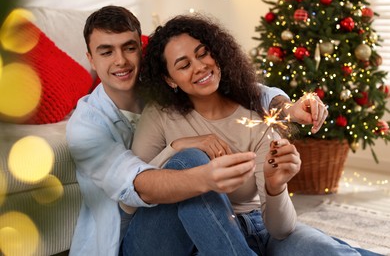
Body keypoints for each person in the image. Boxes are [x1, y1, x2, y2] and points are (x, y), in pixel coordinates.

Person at [66, 5, 329, 256]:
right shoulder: (87, 128)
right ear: (90, 58)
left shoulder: (160, 89)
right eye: (106, 52)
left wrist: (288, 108)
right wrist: (182, 150)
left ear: (141, 50)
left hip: (204, 229)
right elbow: (138, 190)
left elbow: (247, 93)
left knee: (313, 245)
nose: (121, 61)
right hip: (127, 241)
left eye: (129, 48)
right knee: (191, 160)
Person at [132, 13, 381, 256]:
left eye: (203, 54)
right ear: (169, 79)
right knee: (192, 159)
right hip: (197, 238)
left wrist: (275, 187)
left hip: (259, 228)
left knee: (323, 248)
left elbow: (281, 229)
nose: (199, 67)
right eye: (184, 65)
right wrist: (177, 146)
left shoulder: (255, 114)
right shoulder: (160, 115)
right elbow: (130, 193)